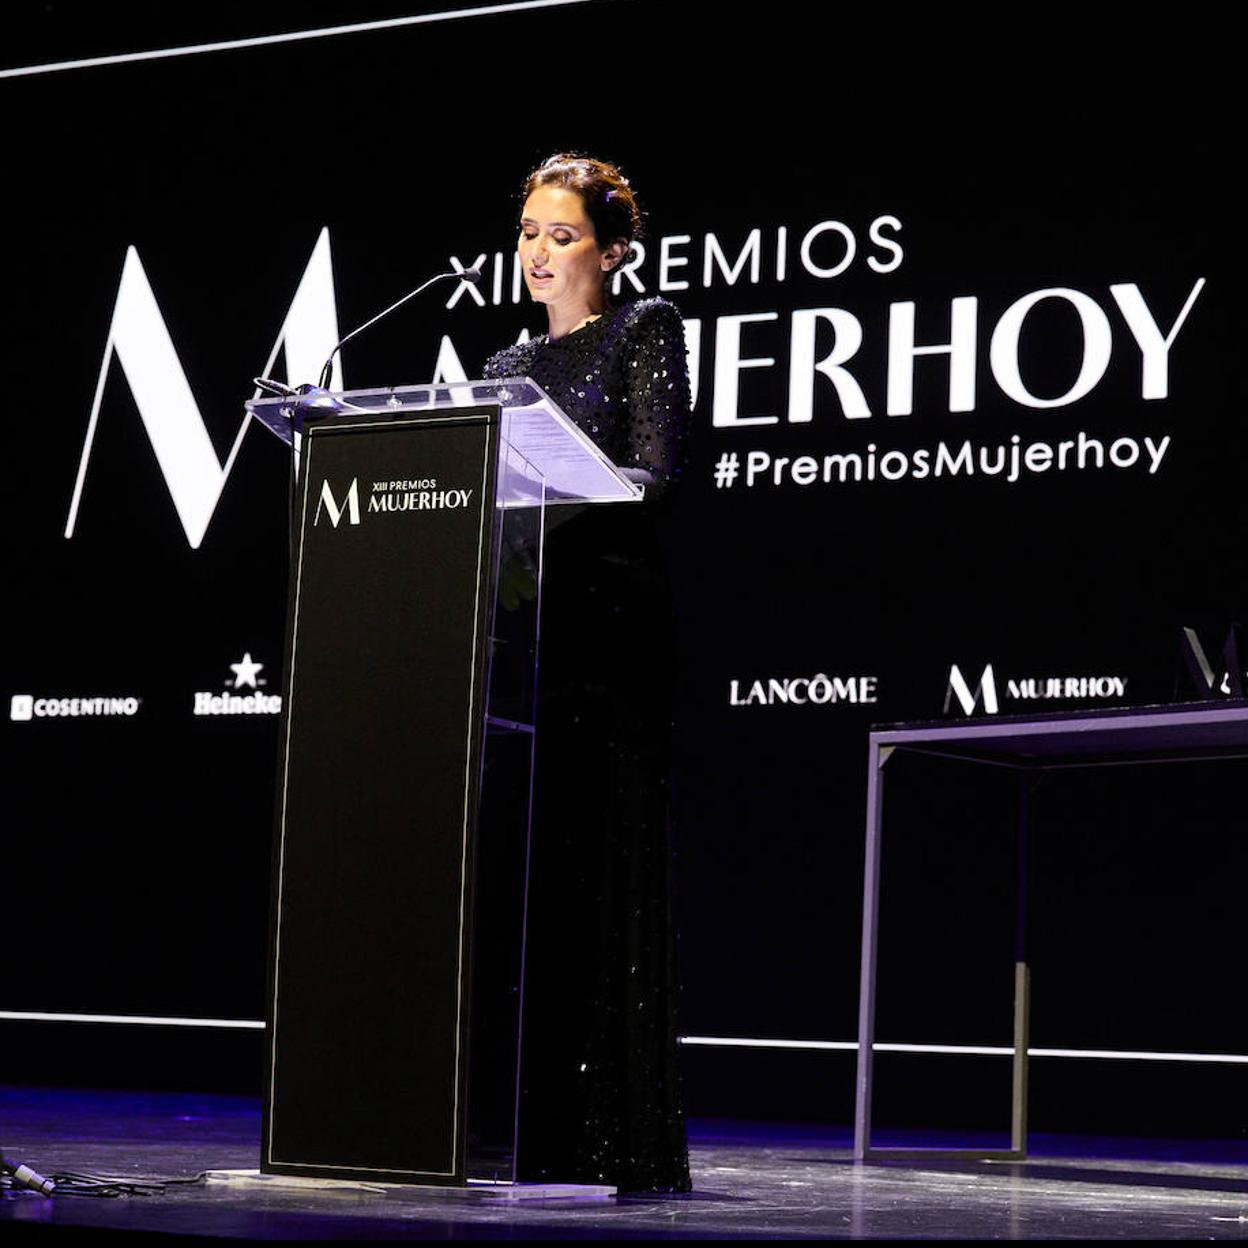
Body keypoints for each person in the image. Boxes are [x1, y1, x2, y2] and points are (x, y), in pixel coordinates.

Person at [481, 153, 692, 1194]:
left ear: (610, 252)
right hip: (523, 652)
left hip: (608, 643)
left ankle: (611, 1133)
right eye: (528, 233)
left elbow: (656, 473)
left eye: (560, 237)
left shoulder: (644, 330)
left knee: (600, 870)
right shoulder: (503, 365)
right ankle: (508, 1130)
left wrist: (584, 487)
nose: (537, 253)